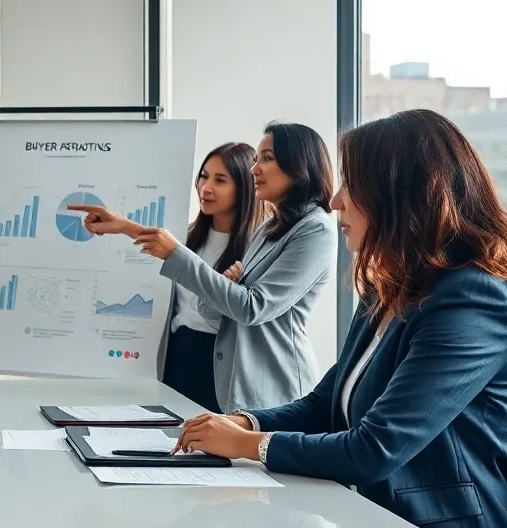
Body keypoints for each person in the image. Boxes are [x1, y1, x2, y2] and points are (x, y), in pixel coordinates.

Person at [171, 109, 507, 528]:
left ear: (401, 194)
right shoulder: (390, 287)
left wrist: (250, 443)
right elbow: (326, 404)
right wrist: (244, 420)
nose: (337, 200)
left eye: (353, 186)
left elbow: (374, 450)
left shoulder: (471, 300)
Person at [72, 122, 336, 412]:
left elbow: (252, 308)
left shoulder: (315, 229)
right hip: (213, 369)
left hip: (272, 384)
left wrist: (223, 283)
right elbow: (218, 310)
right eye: (256, 160)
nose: (255, 170)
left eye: (267, 158)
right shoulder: (271, 228)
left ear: (300, 163)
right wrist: (230, 286)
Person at [154, 142, 267, 411]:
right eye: (204, 176)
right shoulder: (182, 238)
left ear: (244, 186)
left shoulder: (257, 247)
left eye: (220, 180)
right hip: (177, 354)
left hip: (220, 361)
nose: (206, 187)